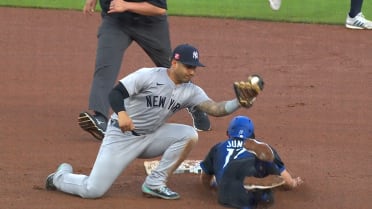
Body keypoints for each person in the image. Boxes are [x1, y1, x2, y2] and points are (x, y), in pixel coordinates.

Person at [45, 44, 260, 200]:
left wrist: (239, 102)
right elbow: (116, 93)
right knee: (93, 190)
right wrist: (121, 114)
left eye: (195, 67)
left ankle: (154, 183)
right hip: (122, 136)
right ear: (174, 62)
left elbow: (215, 108)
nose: (192, 71)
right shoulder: (148, 76)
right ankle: (60, 177)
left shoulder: (190, 90)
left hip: (151, 136)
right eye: (188, 66)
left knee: (188, 134)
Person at [79, 0, 211, 141]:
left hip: (150, 23)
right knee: (105, 67)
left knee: (171, 67)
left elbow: (159, 8)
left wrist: (126, 5)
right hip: (116, 21)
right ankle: (100, 118)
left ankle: (197, 105)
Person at [200, 115, 303, 209]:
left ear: (228, 133)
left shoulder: (217, 148)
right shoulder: (263, 147)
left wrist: (214, 186)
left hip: (224, 197)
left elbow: (204, 178)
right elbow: (286, 182)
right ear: (252, 135)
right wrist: (293, 183)